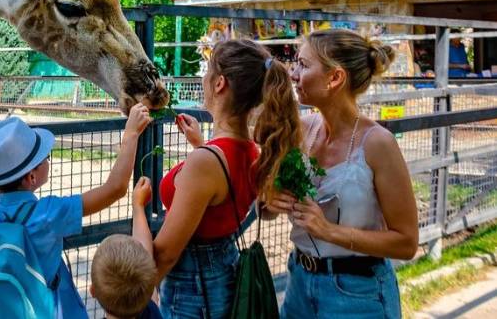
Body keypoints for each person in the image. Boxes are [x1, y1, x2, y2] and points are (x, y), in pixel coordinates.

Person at [266, 29, 418, 319]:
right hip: (298, 283)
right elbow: (268, 207)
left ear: (335, 78)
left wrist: (329, 231)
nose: (294, 74)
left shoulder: (377, 143)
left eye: (304, 65)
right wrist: (270, 203)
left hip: (357, 295)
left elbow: (406, 242)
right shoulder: (302, 129)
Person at [152, 39, 302, 319]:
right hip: (222, 272)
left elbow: (166, 253)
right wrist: (201, 145)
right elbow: (221, 193)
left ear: (220, 83)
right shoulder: (250, 151)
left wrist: (133, 297)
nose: (204, 79)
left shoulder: (207, 161)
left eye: (207, 72)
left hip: (193, 289)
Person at [0, 106, 152, 318]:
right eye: (45, 157)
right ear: (32, 177)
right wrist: (131, 134)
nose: (48, 160)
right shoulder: (48, 214)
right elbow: (114, 189)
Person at [90, 177, 162, 319]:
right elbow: (145, 247)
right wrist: (138, 206)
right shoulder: (151, 312)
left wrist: (138, 207)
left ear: (93, 291)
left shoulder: (149, 304)